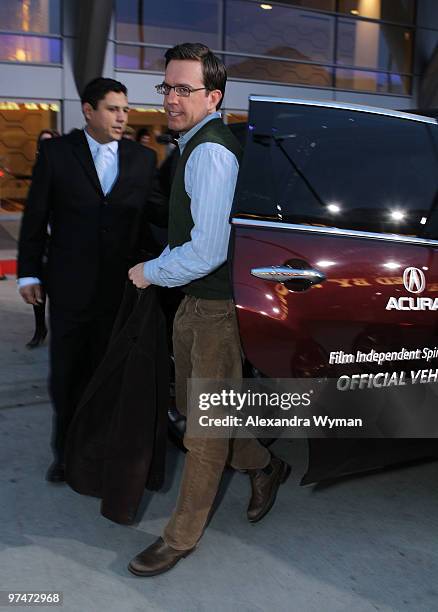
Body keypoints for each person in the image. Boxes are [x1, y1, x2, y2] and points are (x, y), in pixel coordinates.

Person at [128, 42, 290, 577]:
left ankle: (179, 539)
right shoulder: (191, 144)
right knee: (206, 414)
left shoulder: (212, 152)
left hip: (217, 311)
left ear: (213, 96)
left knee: (203, 434)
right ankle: (267, 466)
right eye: (167, 87)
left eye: (184, 89)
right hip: (195, 305)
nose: (171, 98)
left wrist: (150, 270)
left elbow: (208, 250)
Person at [17, 77, 165, 483]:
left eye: (125, 109)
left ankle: (98, 453)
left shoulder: (141, 158)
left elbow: (155, 217)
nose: (122, 117)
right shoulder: (56, 153)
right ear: (88, 110)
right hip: (68, 287)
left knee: (108, 376)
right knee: (67, 375)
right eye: (112, 108)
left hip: (120, 291)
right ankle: (64, 454)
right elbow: (36, 216)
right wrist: (28, 271)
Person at [26, 129, 61, 349]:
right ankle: (40, 329)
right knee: (38, 288)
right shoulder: (38, 171)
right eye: (43, 144)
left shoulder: (68, 169)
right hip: (43, 238)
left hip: (62, 239)